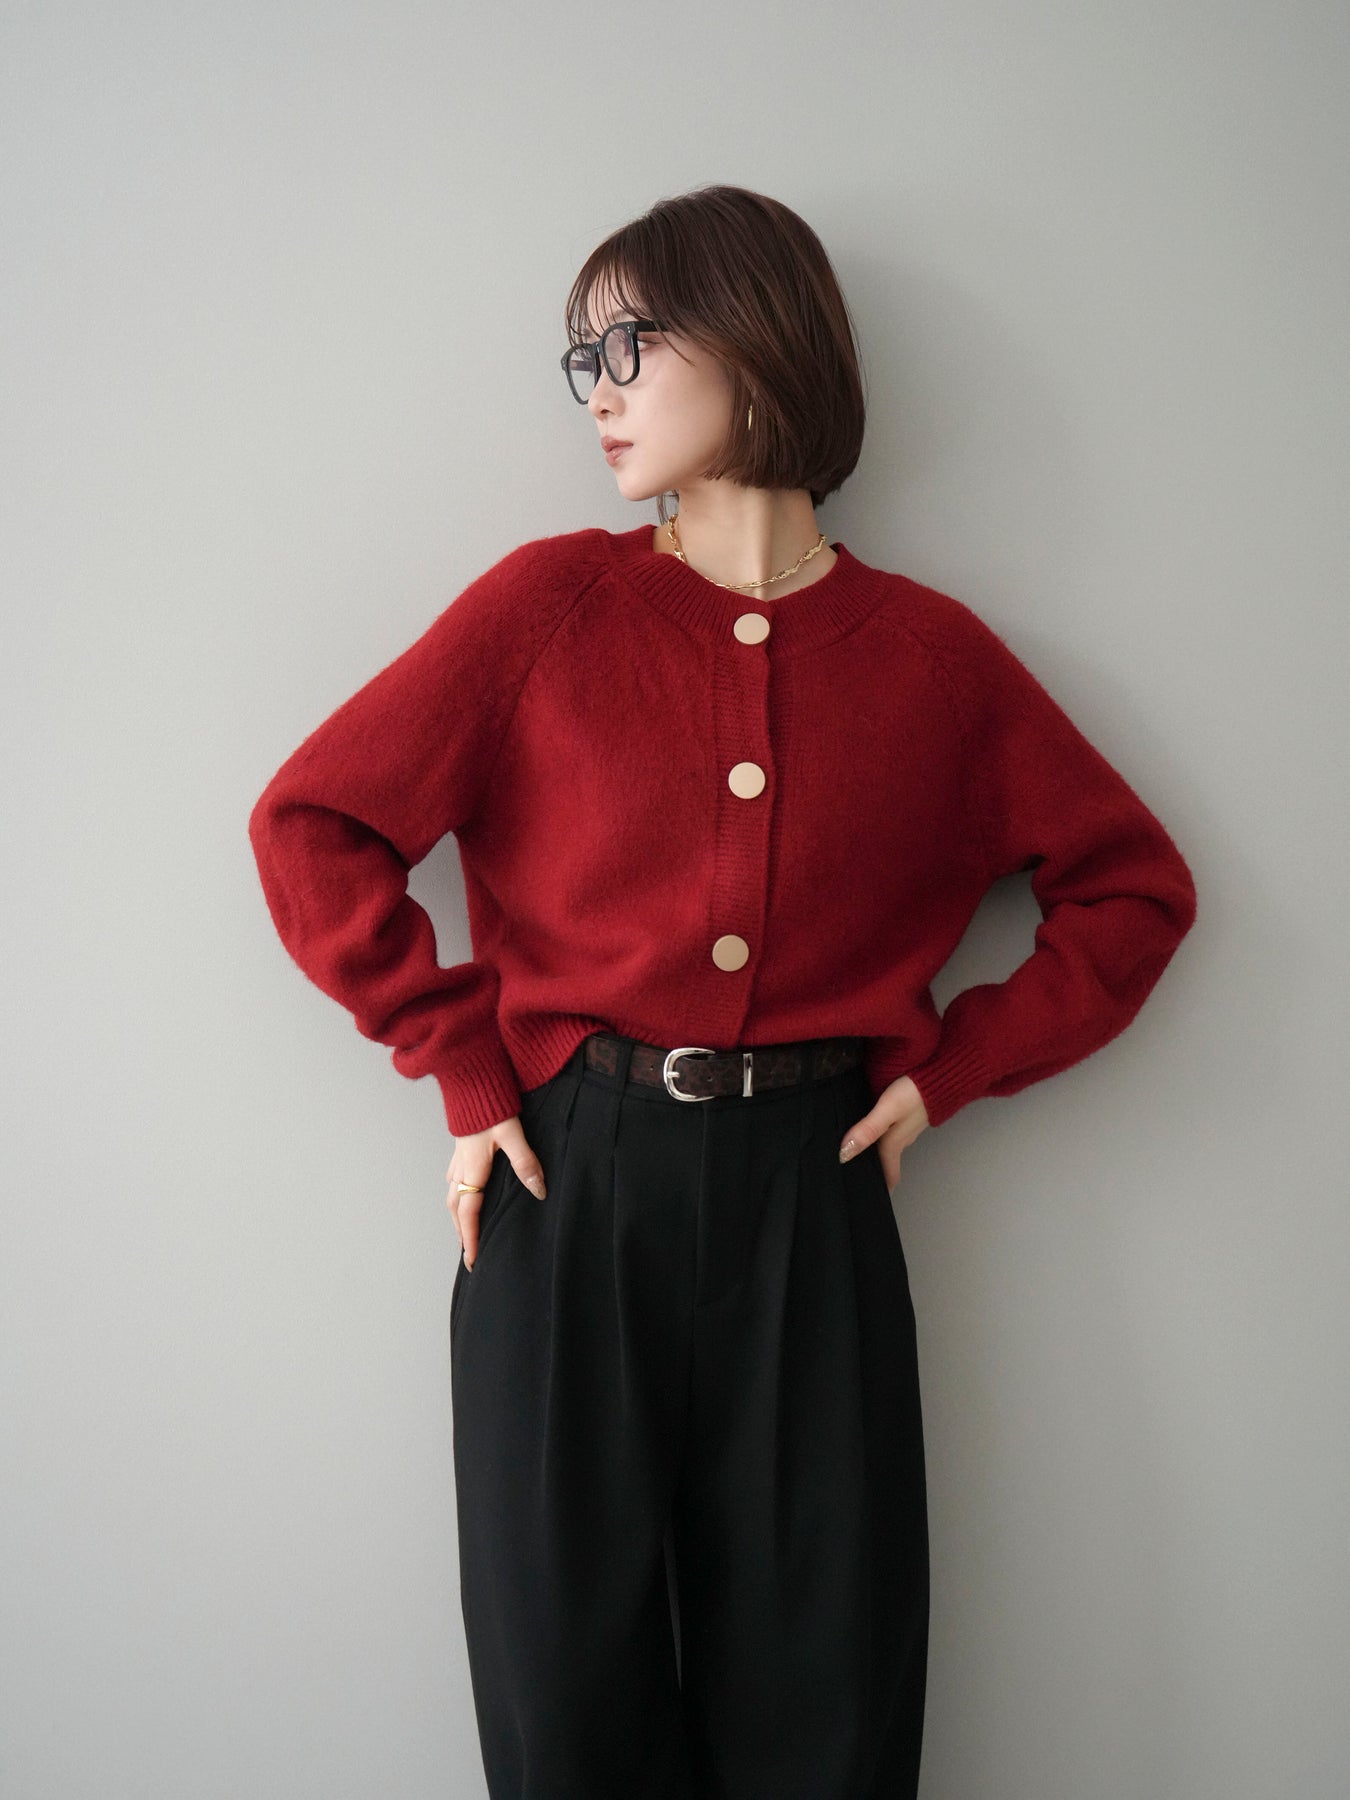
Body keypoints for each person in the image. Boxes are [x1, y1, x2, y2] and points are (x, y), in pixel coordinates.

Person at [247, 183, 1197, 1799]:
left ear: (755, 339)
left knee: (825, 1701)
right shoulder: (547, 610)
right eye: (581, 358)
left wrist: (949, 1073)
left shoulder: (932, 661)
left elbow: (1132, 893)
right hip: (564, 1184)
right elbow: (313, 825)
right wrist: (459, 1066)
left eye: (627, 342)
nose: (597, 390)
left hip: (811, 1198)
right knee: (565, 1704)